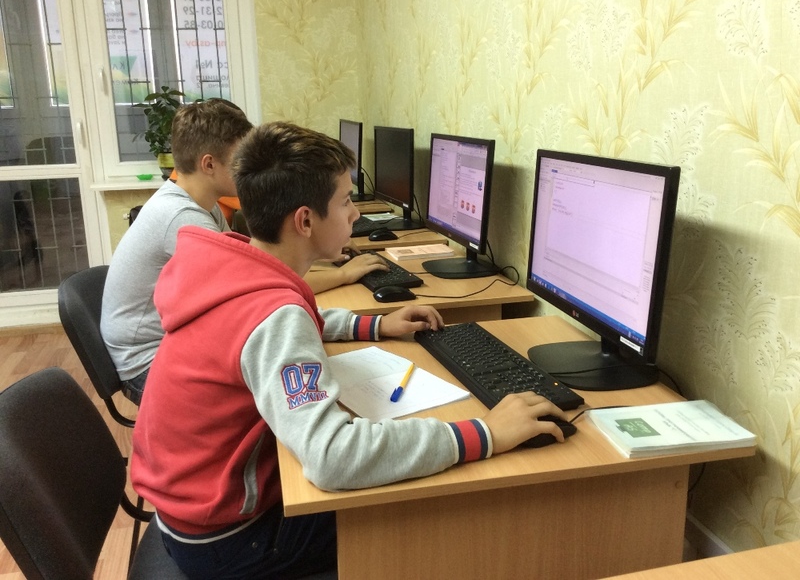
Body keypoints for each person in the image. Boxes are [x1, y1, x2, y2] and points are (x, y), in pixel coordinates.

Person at [131, 121, 570, 579]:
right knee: (441, 510)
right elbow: (332, 456)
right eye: (345, 201)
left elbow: (295, 320)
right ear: (305, 221)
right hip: (232, 540)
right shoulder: (274, 317)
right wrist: (485, 432)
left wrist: (375, 324)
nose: (356, 214)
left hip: (189, 511)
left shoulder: (232, 265)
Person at [101, 100, 385, 405]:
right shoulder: (184, 219)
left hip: (172, 348)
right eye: (239, 160)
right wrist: (343, 275)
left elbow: (256, 278)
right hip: (145, 362)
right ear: (209, 165)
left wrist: (368, 322)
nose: (247, 169)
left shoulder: (202, 205)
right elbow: (257, 292)